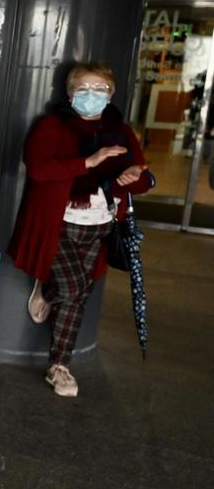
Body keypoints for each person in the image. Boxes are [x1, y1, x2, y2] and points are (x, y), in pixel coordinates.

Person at [8, 62, 153, 397]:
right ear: (71, 93)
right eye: (84, 89)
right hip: (58, 224)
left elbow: (143, 176)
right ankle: (59, 367)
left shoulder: (120, 130)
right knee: (75, 291)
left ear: (111, 94)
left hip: (100, 226)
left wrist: (134, 176)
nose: (92, 95)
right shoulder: (51, 125)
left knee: (77, 293)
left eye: (100, 89)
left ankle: (48, 290)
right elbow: (39, 169)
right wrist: (88, 161)